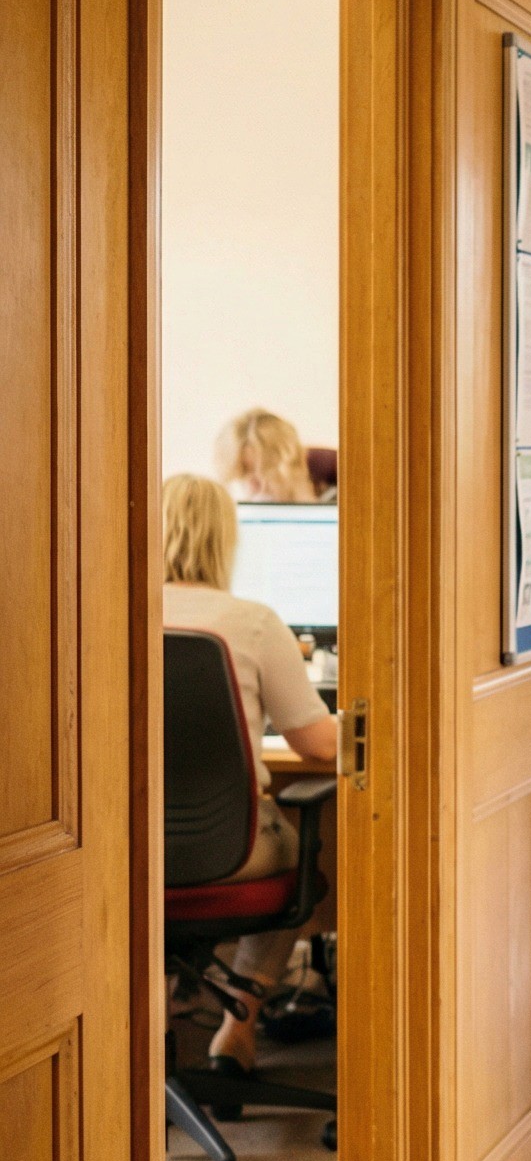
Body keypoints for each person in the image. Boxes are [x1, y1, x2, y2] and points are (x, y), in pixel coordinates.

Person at [162, 473, 339, 1070]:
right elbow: (317, 744)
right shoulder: (255, 622)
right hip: (231, 853)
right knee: (299, 847)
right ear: (225, 540)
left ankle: (153, 1022)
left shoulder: (106, 611)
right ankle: (238, 1024)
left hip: (123, 848)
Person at [214, 406, 334, 502]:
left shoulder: (335, 496)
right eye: (245, 472)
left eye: (265, 470)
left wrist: (304, 503)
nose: (255, 486)